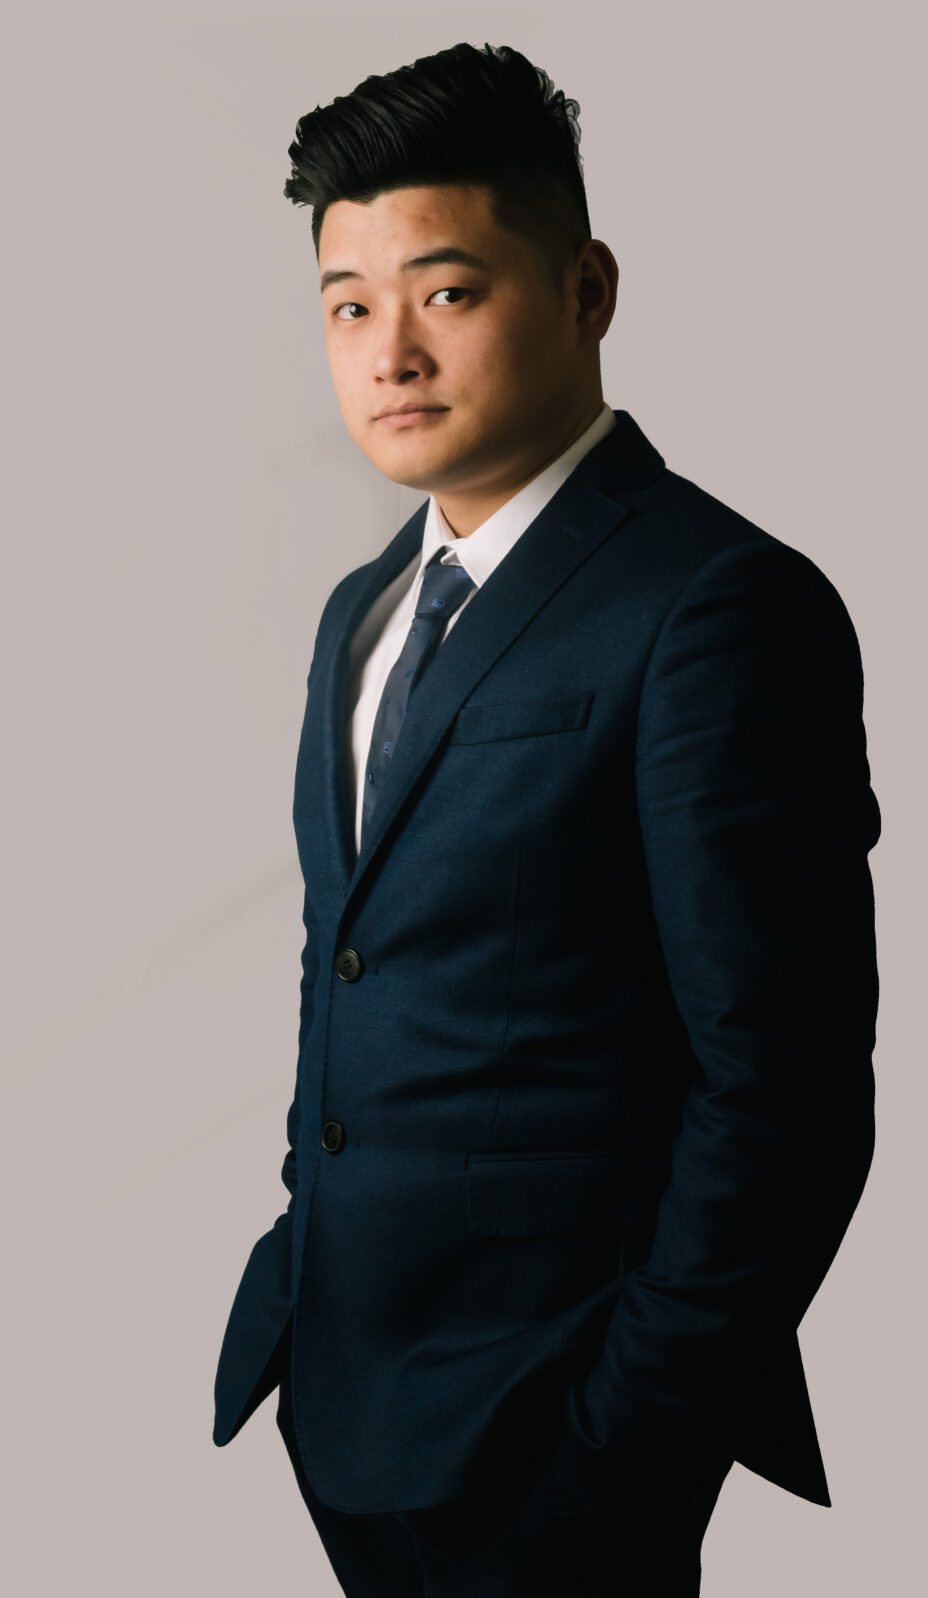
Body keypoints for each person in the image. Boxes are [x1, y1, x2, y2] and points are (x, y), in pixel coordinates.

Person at [211, 40, 880, 1596]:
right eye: (347, 307)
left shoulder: (716, 606)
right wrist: (305, 1264)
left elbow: (781, 1089)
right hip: (344, 1397)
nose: (390, 353)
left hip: (557, 1442)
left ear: (587, 291)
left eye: (445, 291)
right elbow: (349, 959)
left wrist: (619, 1445)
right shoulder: (362, 611)